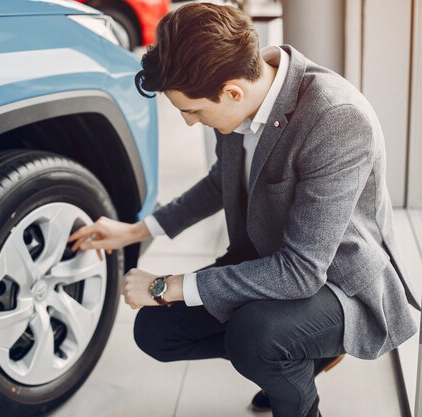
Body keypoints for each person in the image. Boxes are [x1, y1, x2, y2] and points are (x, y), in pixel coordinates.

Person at [67, 3, 421, 417]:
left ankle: (296, 390)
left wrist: (166, 285)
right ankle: (294, 359)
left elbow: (303, 271)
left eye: (192, 110)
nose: (187, 122)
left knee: (256, 337)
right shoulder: (238, 103)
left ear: (233, 90)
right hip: (268, 260)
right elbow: (222, 182)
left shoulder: (336, 118)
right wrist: (135, 231)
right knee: (156, 331)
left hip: (339, 283)